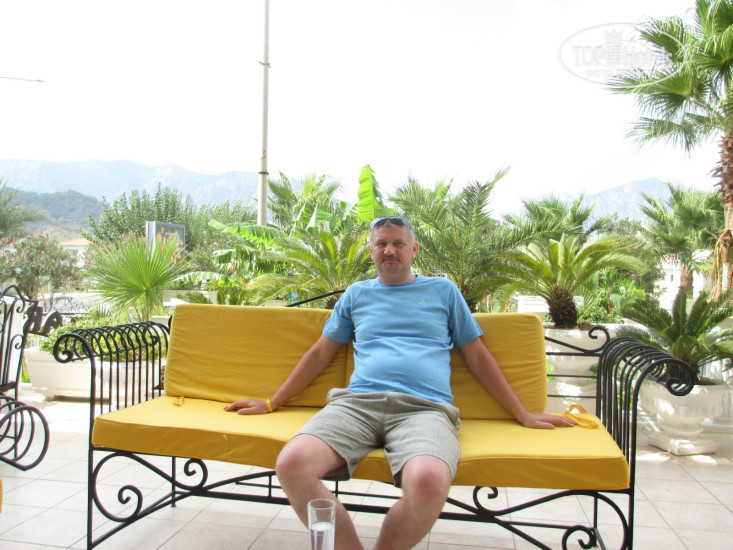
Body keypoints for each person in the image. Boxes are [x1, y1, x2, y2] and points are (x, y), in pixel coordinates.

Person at [225, 215, 574, 550]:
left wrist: (523, 414)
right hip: (356, 406)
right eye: (381, 244)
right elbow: (319, 355)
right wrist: (272, 402)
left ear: (414, 249)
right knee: (291, 464)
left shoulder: (443, 291)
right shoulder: (356, 295)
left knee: (429, 480)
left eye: (398, 243)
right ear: (371, 250)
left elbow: (478, 357)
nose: (389, 250)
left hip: (424, 410)